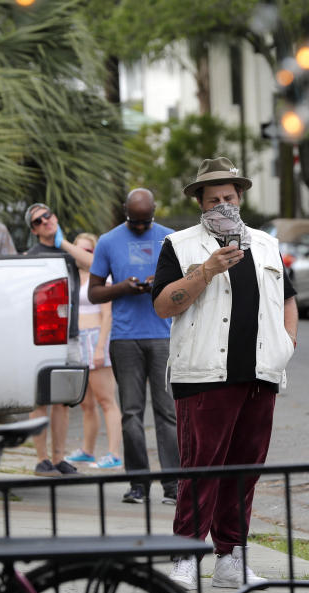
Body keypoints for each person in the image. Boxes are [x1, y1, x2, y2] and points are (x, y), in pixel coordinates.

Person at [153, 157, 298, 590]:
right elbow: (164, 305)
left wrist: (287, 343)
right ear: (200, 202)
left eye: (229, 197)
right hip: (202, 374)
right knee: (201, 469)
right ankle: (186, 555)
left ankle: (230, 556)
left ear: (240, 198)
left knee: (244, 470)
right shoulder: (179, 246)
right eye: (213, 199)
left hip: (259, 373)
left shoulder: (267, 245)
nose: (223, 205)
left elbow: (287, 298)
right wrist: (208, 270)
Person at [88, 189, 179, 504]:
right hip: (125, 337)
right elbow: (94, 292)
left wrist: (161, 285)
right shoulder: (108, 241)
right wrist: (122, 288)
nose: (140, 227)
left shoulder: (170, 239)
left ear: (155, 210)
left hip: (164, 334)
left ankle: (173, 485)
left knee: (168, 412)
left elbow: (187, 283)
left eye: (146, 221)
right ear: (124, 211)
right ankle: (138, 483)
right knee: (131, 413)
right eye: (133, 222)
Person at [24, 203, 93, 477]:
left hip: (70, 335)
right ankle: (42, 459)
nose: (45, 222)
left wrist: (62, 241)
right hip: (40, 338)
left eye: (48, 216)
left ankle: (59, 457)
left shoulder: (68, 251)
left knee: (63, 400)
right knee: (39, 399)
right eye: (38, 221)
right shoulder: (31, 256)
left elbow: (92, 264)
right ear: (33, 229)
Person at [65, 232, 124, 469]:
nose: (82, 254)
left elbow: (107, 314)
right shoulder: (71, 277)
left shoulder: (100, 277)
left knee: (106, 400)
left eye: (88, 250)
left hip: (95, 339)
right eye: (78, 249)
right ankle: (87, 450)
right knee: (85, 403)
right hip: (75, 341)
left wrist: (100, 347)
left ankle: (113, 454)